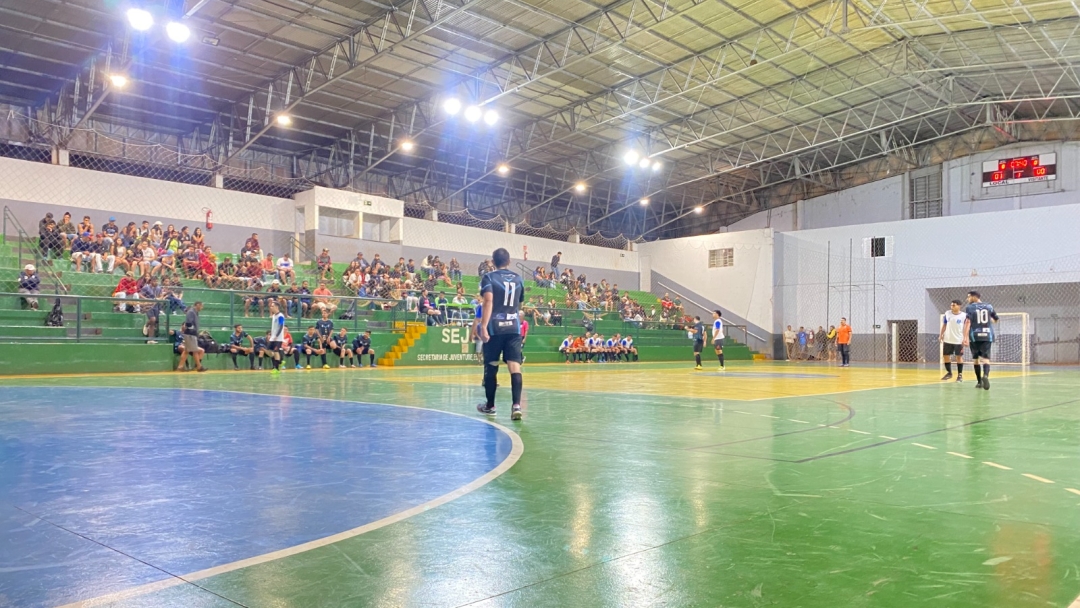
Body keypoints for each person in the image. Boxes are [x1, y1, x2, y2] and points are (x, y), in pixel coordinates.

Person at [476, 248, 525, 420]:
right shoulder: (519, 279)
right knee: (514, 366)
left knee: (492, 365)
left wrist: (483, 326)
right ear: (509, 261)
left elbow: (488, 301)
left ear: (493, 262)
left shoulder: (489, 277)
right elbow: (519, 303)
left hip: (495, 328)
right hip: (513, 328)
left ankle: (490, 406)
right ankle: (516, 406)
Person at [963, 291, 998, 390]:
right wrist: (989, 320)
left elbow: (968, 322)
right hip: (987, 335)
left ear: (974, 297)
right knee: (986, 359)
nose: (967, 299)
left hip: (974, 336)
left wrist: (965, 337)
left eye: (969, 297)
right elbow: (996, 319)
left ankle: (979, 382)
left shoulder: (970, 307)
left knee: (976, 360)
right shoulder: (989, 306)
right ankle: (985, 376)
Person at [939, 299, 967, 382]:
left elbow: (966, 328)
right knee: (946, 356)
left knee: (959, 357)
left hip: (958, 340)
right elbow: (944, 324)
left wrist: (965, 338)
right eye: (951, 305)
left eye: (954, 305)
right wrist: (941, 334)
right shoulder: (947, 313)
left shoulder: (964, 316)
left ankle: (960, 375)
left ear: (959, 306)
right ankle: (949, 373)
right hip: (948, 339)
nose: (952, 307)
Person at [177, 301, 207, 372]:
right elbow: (188, 323)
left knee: (186, 351)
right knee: (194, 350)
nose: (202, 308)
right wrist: (193, 330)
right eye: (201, 306)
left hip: (191, 334)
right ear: (197, 305)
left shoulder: (195, 312)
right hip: (190, 334)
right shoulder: (191, 312)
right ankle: (199, 367)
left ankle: (180, 367)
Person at [267, 301, 286, 373]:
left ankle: (276, 368)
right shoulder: (274, 316)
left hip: (278, 338)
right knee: (268, 351)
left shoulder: (280, 316)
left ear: (276, 307)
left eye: (272, 306)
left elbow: (281, 326)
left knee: (276, 351)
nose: (271, 307)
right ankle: (280, 361)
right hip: (273, 337)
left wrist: (277, 335)